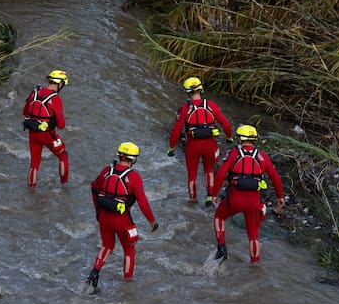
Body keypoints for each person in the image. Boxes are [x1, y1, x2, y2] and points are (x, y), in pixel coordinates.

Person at [86, 142, 159, 289]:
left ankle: (95, 271)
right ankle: (128, 287)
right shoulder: (134, 177)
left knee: (107, 246)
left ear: (120, 155)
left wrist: (97, 212)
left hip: (104, 217)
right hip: (122, 220)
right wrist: (152, 222)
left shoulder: (106, 170)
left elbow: (94, 188)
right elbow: (143, 203)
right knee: (129, 251)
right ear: (133, 159)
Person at [210, 124, 285, 264]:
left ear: (239, 139)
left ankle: (221, 248)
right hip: (254, 203)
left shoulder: (233, 154)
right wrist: (280, 197)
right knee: (253, 236)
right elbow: (275, 178)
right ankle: (255, 266)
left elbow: (221, 174)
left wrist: (214, 194)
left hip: (234, 199)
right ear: (254, 139)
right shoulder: (263, 157)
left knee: (219, 217)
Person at [166, 76, 234, 207]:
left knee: (192, 174)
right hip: (210, 144)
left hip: (192, 145)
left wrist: (171, 148)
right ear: (200, 89)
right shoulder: (211, 105)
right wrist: (229, 137)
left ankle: (192, 199)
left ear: (187, 92)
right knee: (209, 170)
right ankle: (209, 197)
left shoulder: (184, 109)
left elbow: (176, 131)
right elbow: (225, 124)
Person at [22, 70, 70, 187]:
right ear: (60, 84)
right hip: (47, 135)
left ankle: (31, 190)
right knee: (63, 156)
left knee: (34, 164)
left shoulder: (35, 92)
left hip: (32, 133)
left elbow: (25, 112)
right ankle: (64, 186)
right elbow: (61, 125)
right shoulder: (56, 99)